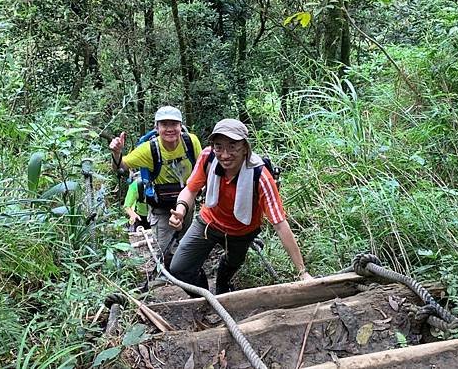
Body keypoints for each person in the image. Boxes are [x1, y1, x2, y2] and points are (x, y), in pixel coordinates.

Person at [169, 118, 312, 295]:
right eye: (219, 146)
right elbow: (191, 189)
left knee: (231, 264)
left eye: (232, 146)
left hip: (241, 232)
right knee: (178, 268)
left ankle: (222, 285)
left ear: (245, 148)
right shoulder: (208, 157)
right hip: (208, 223)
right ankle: (205, 297)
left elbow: (280, 224)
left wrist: (302, 272)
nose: (225, 154)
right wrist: (181, 210)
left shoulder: (260, 177)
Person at [109, 106, 202, 268]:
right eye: (164, 124)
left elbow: (202, 167)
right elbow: (121, 167)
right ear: (157, 128)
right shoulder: (149, 149)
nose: (169, 129)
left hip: (187, 201)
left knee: (186, 242)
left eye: (174, 124)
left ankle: (187, 275)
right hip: (161, 206)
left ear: (181, 126)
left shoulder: (191, 142)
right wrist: (117, 153)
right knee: (165, 248)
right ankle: (168, 277)